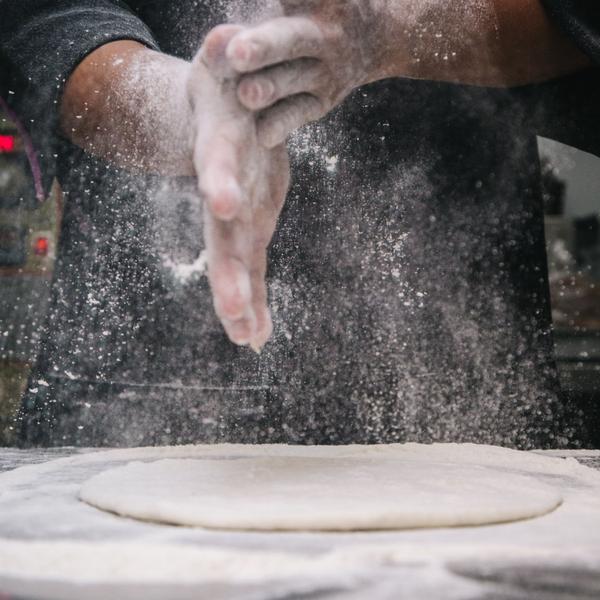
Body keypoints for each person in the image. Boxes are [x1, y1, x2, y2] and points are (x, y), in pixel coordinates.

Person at [0, 1, 597, 448]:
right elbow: (54, 25)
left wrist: (393, 25)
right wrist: (191, 113)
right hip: (142, 406)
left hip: (463, 387)